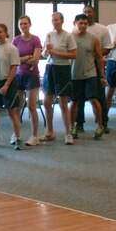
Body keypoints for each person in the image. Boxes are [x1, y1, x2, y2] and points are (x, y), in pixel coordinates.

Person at [40, 12, 77, 144]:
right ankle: (50, 132)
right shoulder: (48, 35)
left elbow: (74, 55)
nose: (54, 22)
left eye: (56, 20)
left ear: (62, 21)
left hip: (63, 69)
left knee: (63, 104)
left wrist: (57, 53)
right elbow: (44, 55)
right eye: (52, 20)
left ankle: (68, 134)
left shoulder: (68, 36)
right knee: (46, 102)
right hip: (50, 68)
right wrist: (46, 50)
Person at [69, 14, 106, 140]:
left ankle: (100, 126)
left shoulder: (94, 38)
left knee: (94, 100)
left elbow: (100, 58)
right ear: (74, 23)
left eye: (85, 23)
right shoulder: (69, 37)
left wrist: (102, 76)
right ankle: (72, 127)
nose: (84, 26)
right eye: (81, 23)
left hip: (90, 73)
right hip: (74, 75)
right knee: (74, 102)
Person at [79, 5, 113, 133]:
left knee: (99, 96)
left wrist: (95, 54)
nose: (87, 14)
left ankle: (103, 123)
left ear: (94, 13)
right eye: (85, 12)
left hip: (97, 65)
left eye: (89, 12)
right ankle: (79, 123)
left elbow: (108, 48)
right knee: (79, 97)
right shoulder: (76, 30)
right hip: (81, 66)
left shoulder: (102, 29)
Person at [11, 15, 42, 146]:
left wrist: (23, 58)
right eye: (21, 24)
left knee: (31, 106)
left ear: (30, 24)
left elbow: (35, 60)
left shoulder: (35, 39)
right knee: (17, 106)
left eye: (25, 24)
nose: (23, 26)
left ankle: (35, 136)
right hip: (18, 76)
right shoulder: (15, 40)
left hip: (32, 76)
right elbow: (13, 60)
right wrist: (27, 57)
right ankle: (16, 135)